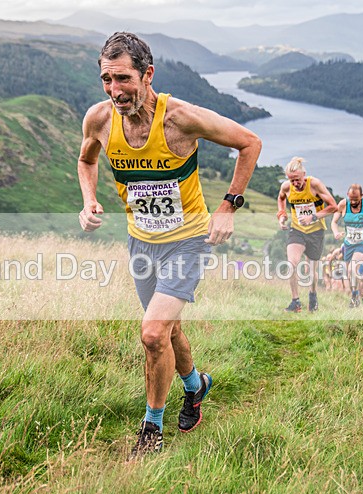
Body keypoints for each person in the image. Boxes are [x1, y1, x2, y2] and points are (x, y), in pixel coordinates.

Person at [77, 32, 262, 460]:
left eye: (123, 78)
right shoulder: (99, 120)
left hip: (188, 241)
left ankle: (151, 428)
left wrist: (229, 206)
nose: (114, 89)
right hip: (141, 243)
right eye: (106, 79)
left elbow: (249, 143)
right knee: (169, 330)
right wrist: (89, 200)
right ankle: (196, 386)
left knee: (153, 332)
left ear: (148, 74)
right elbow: (86, 159)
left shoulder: (179, 117)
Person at [276, 157, 337, 312]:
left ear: (304, 174)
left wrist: (313, 216)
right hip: (297, 230)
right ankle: (295, 302)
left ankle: (313, 295)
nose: (295, 184)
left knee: (311, 271)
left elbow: (333, 206)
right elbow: (281, 198)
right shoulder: (287, 187)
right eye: (291, 180)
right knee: (291, 264)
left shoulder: (314, 184)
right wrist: (282, 215)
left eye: (297, 179)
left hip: (316, 232)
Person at [330, 184, 363, 308]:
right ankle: (356, 293)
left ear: (362, 196)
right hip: (349, 244)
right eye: (351, 199)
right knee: (350, 274)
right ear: (348, 196)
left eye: (356, 199)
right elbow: (334, 221)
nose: (353, 202)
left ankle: (355, 298)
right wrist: (336, 232)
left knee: (351, 269)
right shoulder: (343, 204)